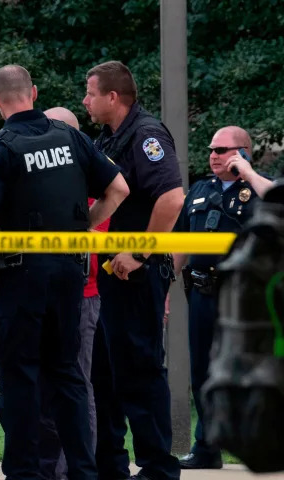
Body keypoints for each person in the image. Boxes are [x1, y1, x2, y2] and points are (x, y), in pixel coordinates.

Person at [0, 65, 129, 479]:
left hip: (22, 276)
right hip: (70, 273)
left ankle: (24, 474)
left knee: (20, 376)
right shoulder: (72, 137)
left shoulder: (0, 147)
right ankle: (83, 472)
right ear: (35, 93)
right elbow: (119, 189)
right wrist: (84, 226)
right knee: (68, 374)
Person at [83, 60, 185, 480]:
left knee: (139, 368)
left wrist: (140, 253)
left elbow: (172, 198)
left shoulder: (146, 135)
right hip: (110, 268)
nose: (85, 101)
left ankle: (158, 468)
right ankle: (111, 464)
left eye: (90, 93)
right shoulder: (108, 138)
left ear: (112, 97)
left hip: (136, 270)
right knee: (104, 371)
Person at [172, 126, 271, 469]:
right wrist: (165, 291)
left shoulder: (261, 187)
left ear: (242, 152)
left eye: (221, 149)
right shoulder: (200, 189)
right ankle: (207, 448)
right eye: (211, 149)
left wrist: (248, 173)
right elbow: (180, 243)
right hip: (203, 293)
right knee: (202, 372)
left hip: (247, 300)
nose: (213, 154)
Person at [37, 106, 110, 479]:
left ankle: (74, 470)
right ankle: (50, 467)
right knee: (48, 388)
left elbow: (99, 232)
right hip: (46, 290)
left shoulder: (90, 173)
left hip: (82, 293)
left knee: (77, 384)